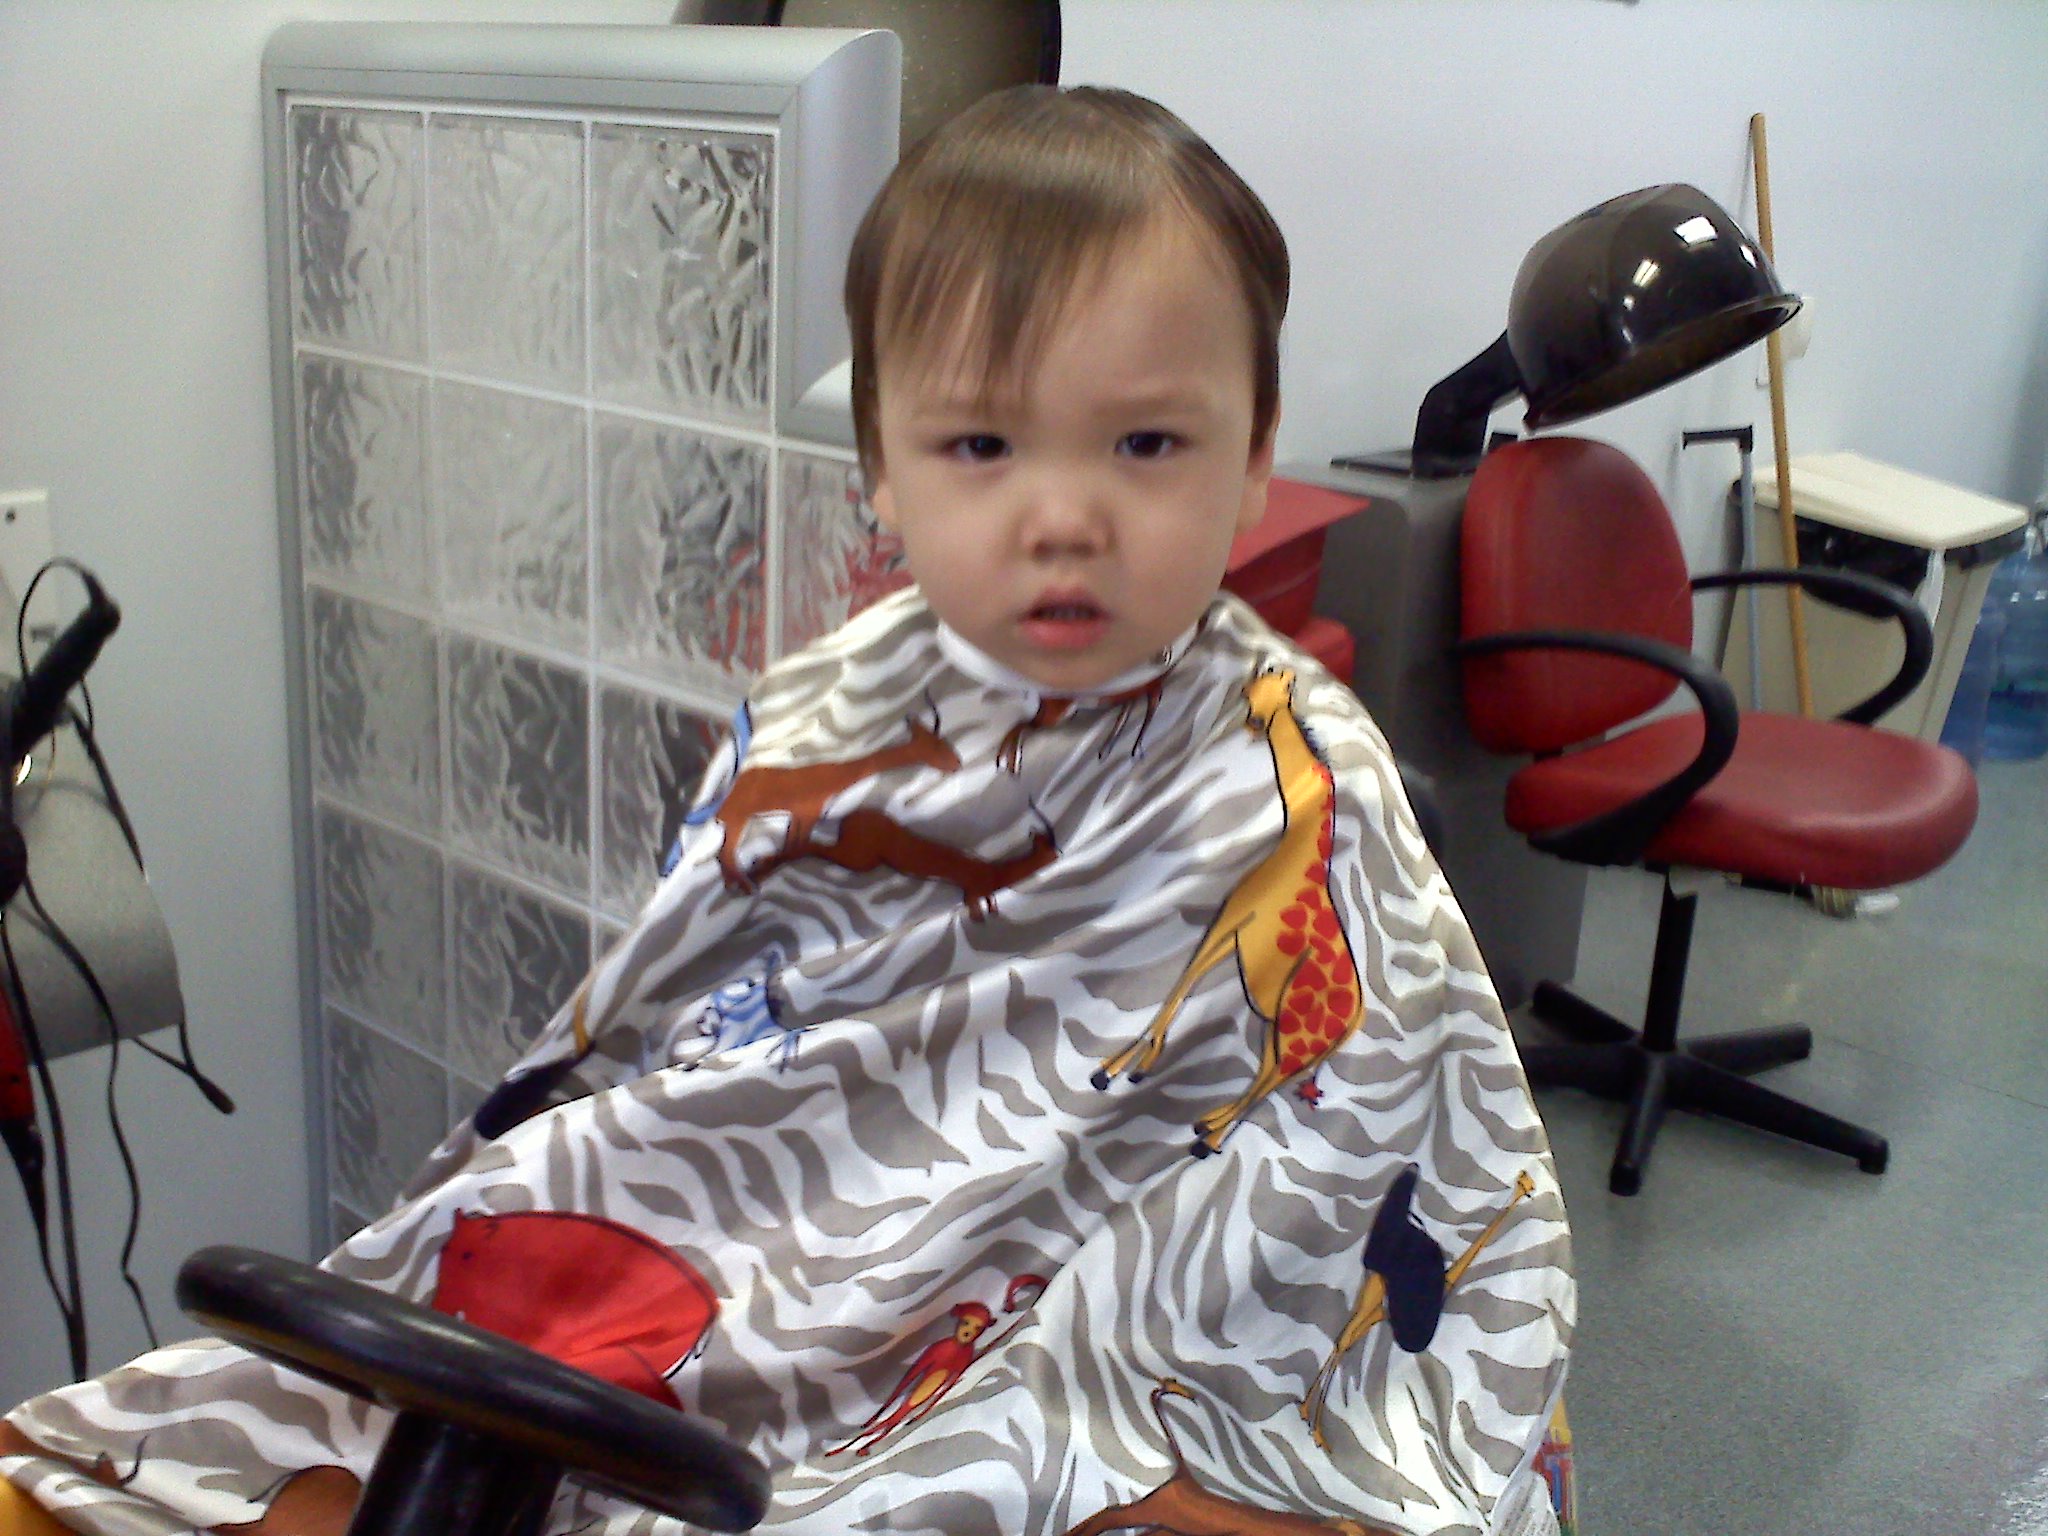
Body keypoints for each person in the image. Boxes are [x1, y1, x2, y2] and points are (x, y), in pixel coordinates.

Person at [1, 85, 1573, 1536]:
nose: (1064, 514)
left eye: (1147, 443)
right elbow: (664, 1065)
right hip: (725, 1277)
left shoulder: (1299, 779)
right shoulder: (828, 712)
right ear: (883, 465)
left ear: (1253, 455)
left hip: (1075, 1350)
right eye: (980, 444)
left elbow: (1374, 1160)